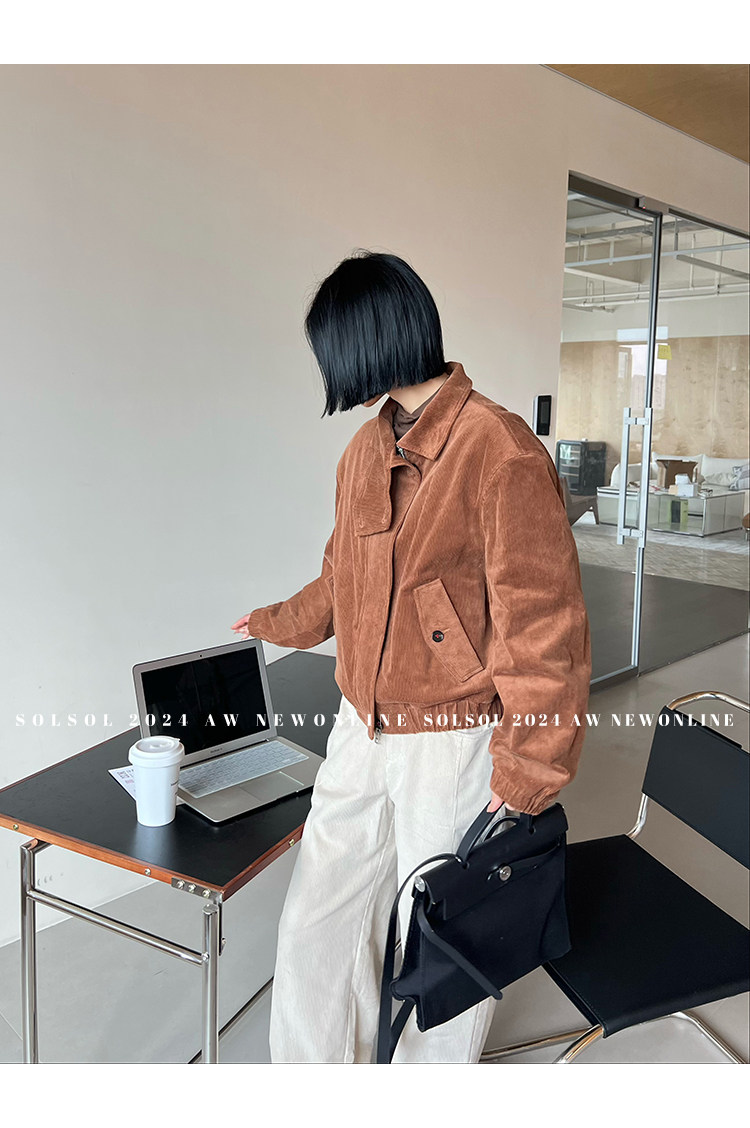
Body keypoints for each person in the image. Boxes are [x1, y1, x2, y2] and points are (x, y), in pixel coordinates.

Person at [231, 250, 592, 1064]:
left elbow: (546, 626)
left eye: (335, 352)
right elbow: (343, 576)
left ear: (373, 339)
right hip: (362, 724)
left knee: (444, 937)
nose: (332, 373)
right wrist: (280, 621)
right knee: (320, 915)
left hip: (453, 737)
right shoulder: (365, 450)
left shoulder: (499, 449)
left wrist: (530, 767)